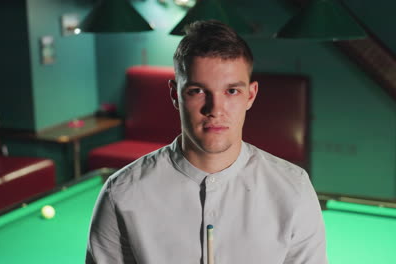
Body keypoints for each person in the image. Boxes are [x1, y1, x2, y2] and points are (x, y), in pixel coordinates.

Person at [86, 20, 327, 264]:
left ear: (250, 95)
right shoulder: (121, 192)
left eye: (231, 91)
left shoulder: (293, 188)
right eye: (198, 91)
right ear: (174, 94)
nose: (215, 109)